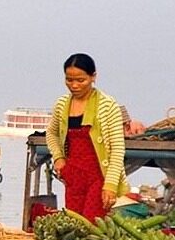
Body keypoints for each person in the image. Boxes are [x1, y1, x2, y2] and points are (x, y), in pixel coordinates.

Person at [46, 53, 128, 220]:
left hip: (98, 176)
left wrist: (110, 185)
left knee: (92, 224)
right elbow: (52, 133)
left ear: (93, 77)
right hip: (73, 176)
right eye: (69, 80)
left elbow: (118, 149)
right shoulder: (61, 104)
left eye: (81, 80)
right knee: (73, 223)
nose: (74, 85)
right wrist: (58, 158)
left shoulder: (108, 105)